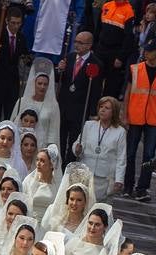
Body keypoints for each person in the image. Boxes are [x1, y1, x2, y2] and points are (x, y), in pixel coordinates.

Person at [122, 38, 156, 202]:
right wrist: (125, 115)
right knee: (130, 153)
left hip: (154, 119)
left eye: (149, 51)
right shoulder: (135, 69)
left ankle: (142, 189)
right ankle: (128, 186)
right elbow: (128, 92)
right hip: (135, 117)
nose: (146, 53)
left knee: (149, 156)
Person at [57, 31, 103, 165]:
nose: (76, 45)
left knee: (74, 140)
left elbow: (95, 90)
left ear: (89, 45)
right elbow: (62, 79)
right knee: (60, 138)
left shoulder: (96, 63)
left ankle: (68, 165)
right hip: (64, 106)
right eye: (75, 42)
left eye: (80, 43)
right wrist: (60, 69)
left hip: (80, 109)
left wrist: (93, 112)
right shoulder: (69, 57)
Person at [0, 5, 29, 126]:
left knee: (10, 115)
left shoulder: (21, 38)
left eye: (18, 23)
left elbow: (25, 56)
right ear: (7, 21)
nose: (16, 26)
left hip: (12, 84)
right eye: (13, 23)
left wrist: (26, 59)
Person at [72, 97, 127, 200]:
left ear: (114, 111)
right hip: (86, 174)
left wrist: (119, 179)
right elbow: (78, 143)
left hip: (105, 178)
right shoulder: (89, 125)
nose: (102, 110)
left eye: (107, 108)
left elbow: (121, 157)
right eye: (101, 107)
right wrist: (77, 148)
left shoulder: (120, 132)